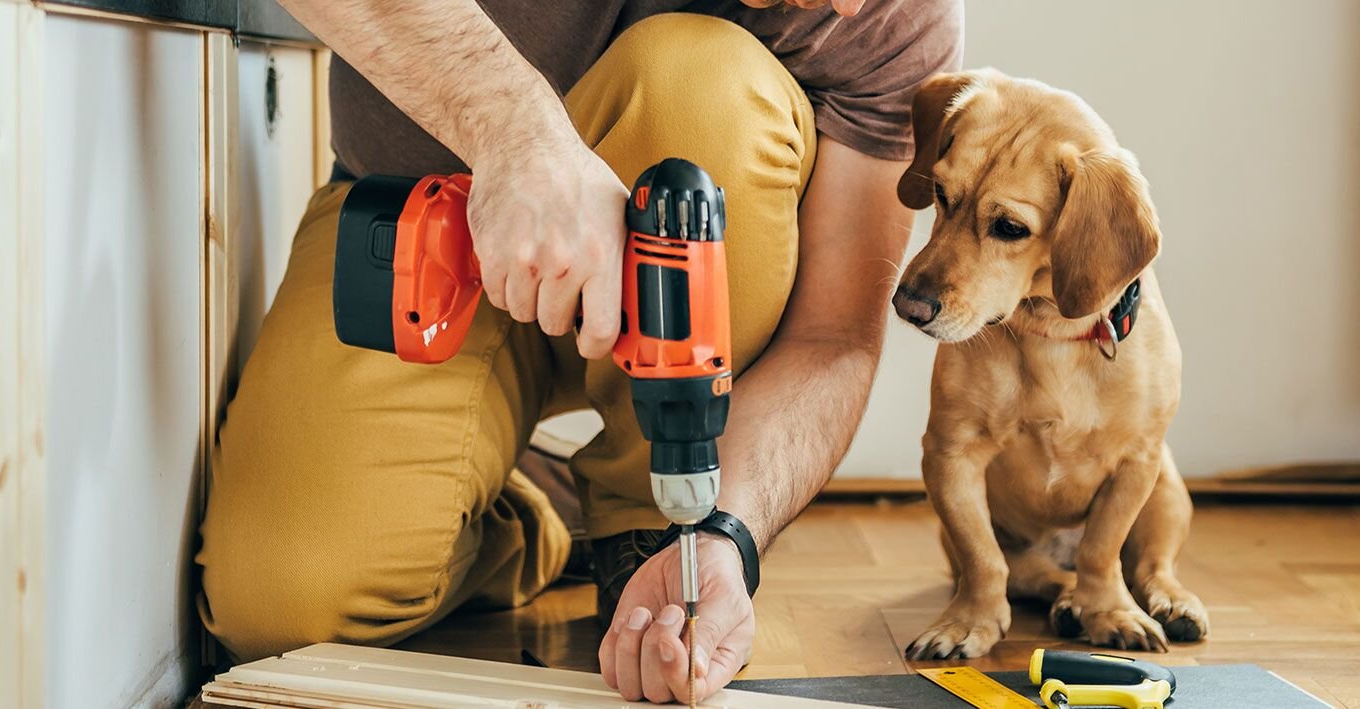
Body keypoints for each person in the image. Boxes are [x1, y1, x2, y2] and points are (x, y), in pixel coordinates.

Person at [194, 0, 962, 703]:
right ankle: (538, 507)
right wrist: (515, 135)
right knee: (283, 597)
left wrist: (725, 529)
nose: (853, 6)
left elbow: (830, 338)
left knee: (697, 79)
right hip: (422, 220)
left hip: (654, 253)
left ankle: (647, 519)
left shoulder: (899, 14)